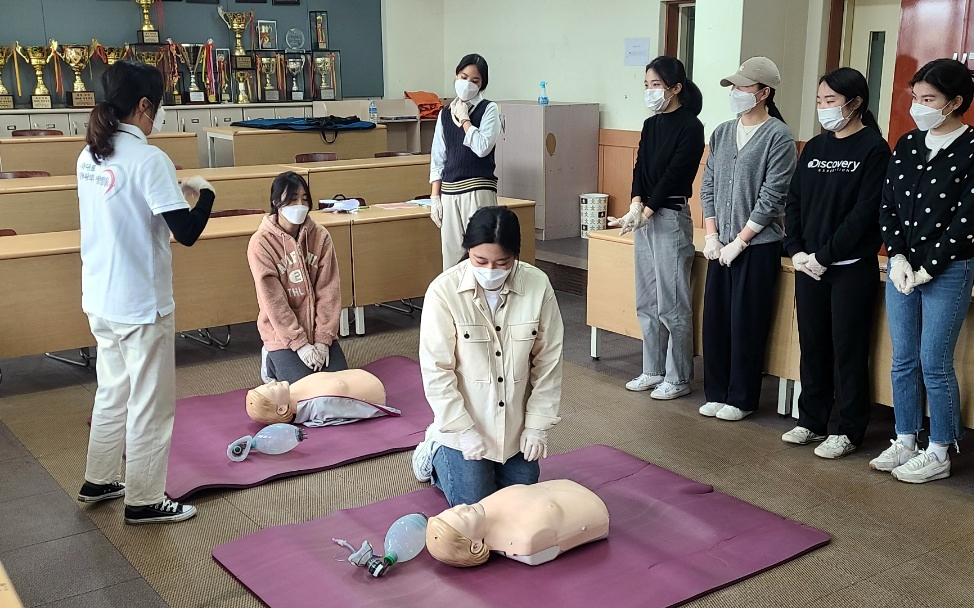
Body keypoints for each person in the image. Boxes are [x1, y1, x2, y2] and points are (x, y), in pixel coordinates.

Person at [76, 61, 213, 525]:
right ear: (142, 106)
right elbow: (188, 232)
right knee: (151, 402)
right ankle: (145, 498)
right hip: (140, 303)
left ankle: (98, 479)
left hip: (100, 296)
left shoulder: (89, 154)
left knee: (112, 390)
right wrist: (205, 192)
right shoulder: (148, 158)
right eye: (156, 109)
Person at [412, 206, 564, 507]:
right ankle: (433, 450)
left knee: (522, 500)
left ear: (515, 256)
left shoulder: (537, 285)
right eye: (480, 261)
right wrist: (464, 430)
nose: (490, 271)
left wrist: (536, 426)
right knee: (475, 503)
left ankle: (494, 462)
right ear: (468, 251)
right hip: (465, 425)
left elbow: (548, 362)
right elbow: (437, 370)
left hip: (513, 426)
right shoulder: (444, 292)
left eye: (502, 262)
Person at [870, 58, 974, 483]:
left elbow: (968, 218)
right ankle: (906, 437)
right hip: (902, 268)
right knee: (903, 359)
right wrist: (896, 257)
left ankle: (940, 448)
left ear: (954, 102)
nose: (919, 106)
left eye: (928, 99)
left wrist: (930, 267)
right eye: (916, 97)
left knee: (934, 360)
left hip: (947, 269)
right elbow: (888, 205)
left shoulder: (971, 148)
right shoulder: (909, 143)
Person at [781, 68, 891, 459]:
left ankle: (848, 429)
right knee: (813, 344)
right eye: (819, 101)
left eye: (831, 101)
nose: (823, 109)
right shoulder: (814, 147)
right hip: (807, 264)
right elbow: (793, 201)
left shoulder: (874, 149)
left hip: (848, 266)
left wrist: (824, 255)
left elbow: (865, 214)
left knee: (847, 348)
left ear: (855, 103)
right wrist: (795, 249)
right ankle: (811, 420)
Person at [699, 57, 797, 421]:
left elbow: (773, 196)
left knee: (747, 322)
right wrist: (712, 235)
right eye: (734, 87)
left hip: (756, 246)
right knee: (716, 321)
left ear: (764, 93)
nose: (736, 93)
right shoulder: (723, 132)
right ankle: (717, 390)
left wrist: (740, 240)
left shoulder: (778, 136)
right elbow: (707, 184)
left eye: (743, 87)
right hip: (718, 242)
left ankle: (741, 398)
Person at [609, 56, 705, 400]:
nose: (650, 92)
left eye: (656, 85)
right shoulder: (651, 124)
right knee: (646, 299)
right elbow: (640, 167)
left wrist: (647, 210)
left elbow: (676, 175)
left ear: (676, 88)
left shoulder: (691, 126)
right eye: (647, 85)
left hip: (668, 217)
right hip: (645, 216)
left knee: (672, 303)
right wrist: (634, 203)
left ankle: (678, 377)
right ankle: (653, 369)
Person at [248, 171, 347, 384]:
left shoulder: (320, 237)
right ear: (276, 202)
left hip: (317, 329)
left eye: (304, 199)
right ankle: (271, 359)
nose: (300, 205)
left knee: (340, 387)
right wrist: (299, 343)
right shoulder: (261, 243)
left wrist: (322, 339)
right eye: (292, 200)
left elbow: (329, 290)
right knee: (304, 395)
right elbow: (273, 300)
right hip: (282, 335)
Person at [425, 479, 609, 567]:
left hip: (569, 492)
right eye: (463, 517)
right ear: (475, 546)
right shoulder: (522, 538)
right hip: (593, 507)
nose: (463, 507)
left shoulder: (486, 506)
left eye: (454, 509)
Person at [429, 54, 501, 270]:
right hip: (450, 192)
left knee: (482, 251)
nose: (468, 83)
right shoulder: (444, 114)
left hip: (478, 190)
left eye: (475, 81)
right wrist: (435, 197)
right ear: (456, 76)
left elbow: (482, 148)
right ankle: (454, 302)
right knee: (451, 258)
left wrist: (465, 120)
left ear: (482, 84)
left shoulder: (489, 109)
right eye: (463, 76)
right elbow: (438, 157)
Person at [245, 368, 401, 426]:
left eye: (267, 384)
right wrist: (385, 410)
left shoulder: (290, 390)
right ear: (281, 409)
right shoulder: (319, 404)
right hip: (376, 391)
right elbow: (355, 409)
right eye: (270, 389)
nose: (272, 382)